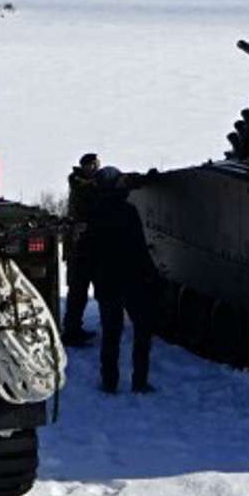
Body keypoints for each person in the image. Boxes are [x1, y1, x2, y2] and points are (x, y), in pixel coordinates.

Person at [80, 167, 156, 393]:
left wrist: (91, 279)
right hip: (133, 280)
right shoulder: (128, 211)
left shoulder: (93, 214)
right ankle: (139, 381)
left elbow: (88, 254)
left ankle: (109, 382)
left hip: (107, 282)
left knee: (111, 335)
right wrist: (150, 275)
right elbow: (140, 249)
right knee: (142, 331)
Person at [62, 153, 100, 347]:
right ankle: (71, 330)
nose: (96, 168)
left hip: (86, 248)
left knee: (80, 293)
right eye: (92, 165)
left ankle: (74, 328)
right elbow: (88, 193)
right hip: (79, 250)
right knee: (78, 292)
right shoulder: (79, 184)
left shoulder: (86, 183)